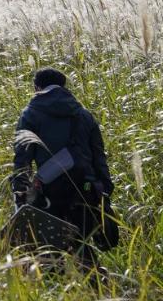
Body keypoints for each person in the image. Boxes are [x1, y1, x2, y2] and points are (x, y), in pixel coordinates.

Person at [12, 67, 116, 256]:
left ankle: (60, 281)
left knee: (51, 252)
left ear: (37, 87)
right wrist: (105, 191)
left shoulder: (30, 114)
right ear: (63, 86)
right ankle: (96, 283)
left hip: (49, 190)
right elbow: (99, 157)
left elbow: (22, 159)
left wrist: (20, 193)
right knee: (83, 247)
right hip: (85, 188)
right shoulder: (84, 115)